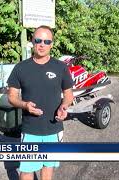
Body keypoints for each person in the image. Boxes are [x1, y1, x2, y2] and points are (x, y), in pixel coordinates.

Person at [7, 25, 74, 180]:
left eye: (46, 41)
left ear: (52, 44)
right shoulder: (20, 68)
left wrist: (65, 105)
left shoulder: (61, 67)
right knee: (27, 169)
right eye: (38, 40)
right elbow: (11, 97)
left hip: (54, 127)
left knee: (48, 166)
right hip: (31, 130)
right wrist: (24, 105)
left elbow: (68, 94)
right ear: (32, 41)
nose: (42, 44)